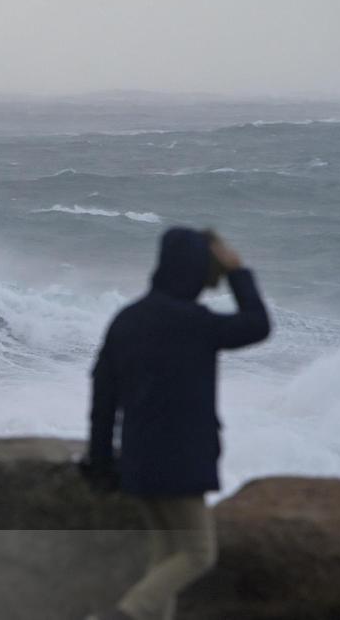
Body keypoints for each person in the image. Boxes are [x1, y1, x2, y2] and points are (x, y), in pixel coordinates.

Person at [81, 227, 271, 620]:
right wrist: (237, 271)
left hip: (137, 461)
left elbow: (103, 401)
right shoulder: (196, 322)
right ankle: (123, 615)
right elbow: (257, 324)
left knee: (165, 555)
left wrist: (100, 463)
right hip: (181, 465)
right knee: (199, 554)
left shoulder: (127, 320)